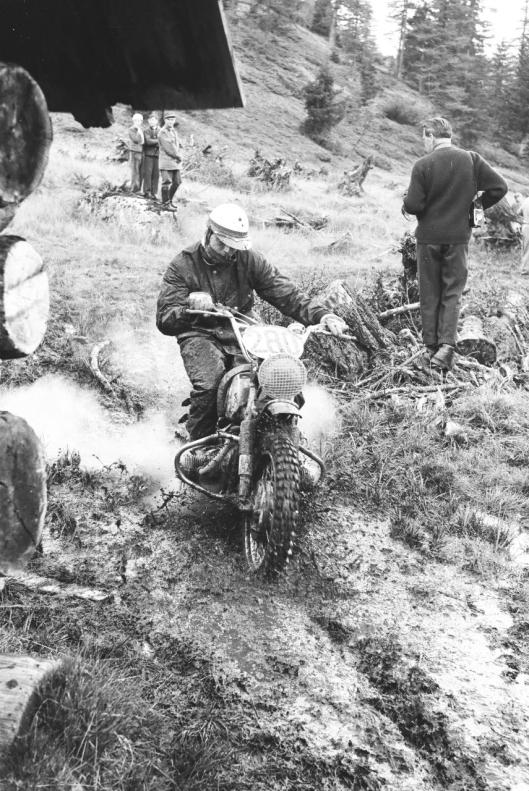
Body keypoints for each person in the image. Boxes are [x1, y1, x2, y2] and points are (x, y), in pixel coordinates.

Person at [156, 203, 347, 439]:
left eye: (233, 246)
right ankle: (196, 446)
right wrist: (190, 308)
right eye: (221, 244)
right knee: (210, 386)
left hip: (244, 327)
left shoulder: (249, 259)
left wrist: (322, 315)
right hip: (199, 331)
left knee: (278, 376)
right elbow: (165, 318)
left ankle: (282, 438)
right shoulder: (183, 264)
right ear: (208, 234)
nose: (227, 251)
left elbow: (285, 292)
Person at [403, 117, 508, 370]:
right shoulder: (471, 159)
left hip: (428, 239)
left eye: (423, 138)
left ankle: (430, 347)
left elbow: (414, 206)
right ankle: (447, 347)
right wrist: (475, 207)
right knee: (452, 293)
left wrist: (405, 202)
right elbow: (499, 187)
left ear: (429, 135)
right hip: (459, 238)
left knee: (430, 293)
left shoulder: (422, 165)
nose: (423, 143)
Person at [158, 111, 182, 210]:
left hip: (174, 162)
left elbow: (176, 145)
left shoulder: (173, 131)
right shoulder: (162, 132)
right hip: (166, 161)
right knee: (166, 182)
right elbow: (169, 148)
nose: (171, 122)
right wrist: (178, 156)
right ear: (165, 120)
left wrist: (178, 155)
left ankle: (170, 201)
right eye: (169, 120)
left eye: (173, 120)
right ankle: (165, 203)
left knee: (177, 182)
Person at [142, 112, 160, 199]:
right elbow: (148, 141)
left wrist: (156, 141)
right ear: (148, 121)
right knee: (148, 173)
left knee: (156, 174)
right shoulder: (146, 131)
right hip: (148, 154)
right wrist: (158, 141)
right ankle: (147, 191)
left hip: (158, 155)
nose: (152, 121)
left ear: (157, 121)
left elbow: (163, 142)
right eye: (151, 120)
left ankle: (154, 192)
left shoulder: (161, 131)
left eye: (154, 120)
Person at [127, 112, 144, 193]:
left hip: (141, 152)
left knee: (140, 171)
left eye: (140, 120)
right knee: (135, 170)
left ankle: (138, 188)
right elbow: (136, 140)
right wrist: (139, 132)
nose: (138, 122)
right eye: (137, 120)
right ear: (133, 121)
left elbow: (144, 142)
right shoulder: (131, 129)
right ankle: (133, 188)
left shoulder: (141, 129)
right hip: (134, 152)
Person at [521, 194, 529, 272]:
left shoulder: (526, 200)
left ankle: (523, 268)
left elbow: (518, 212)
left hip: (525, 225)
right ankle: (526, 269)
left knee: (525, 248)